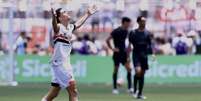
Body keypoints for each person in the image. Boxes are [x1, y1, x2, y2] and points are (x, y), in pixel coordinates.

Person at [41, 5, 97, 101]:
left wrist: (87, 14)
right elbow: (54, 26)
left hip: (64, 63)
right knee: (73, 90)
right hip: (60, 64)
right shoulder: (59, 27)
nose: (67, 13)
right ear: (60, 17)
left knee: (54, 93)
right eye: (64, 12)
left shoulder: (69, 27)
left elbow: (77, 24)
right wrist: (53, 17)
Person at [128, 16, 155, 99]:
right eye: (142, 21)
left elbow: (149, 45)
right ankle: (135, 90)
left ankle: (140, 93)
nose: (144, 22)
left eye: (145, 21)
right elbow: (129, 45)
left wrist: (152, 54)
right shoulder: (133, 33)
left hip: (144, 55)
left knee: (142, 74)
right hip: (136, 54)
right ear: (138, 22)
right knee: (138, 71)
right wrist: (127, 55)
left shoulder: (148, 33)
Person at [106, 17, 132, 94]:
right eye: (128, 23)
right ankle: (114, 88)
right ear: (124, 23)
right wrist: (112, 49)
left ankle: (130, 88)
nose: (129, 25)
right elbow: (107, 40)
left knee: (129, 69)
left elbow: (128, 42)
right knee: (116, 69)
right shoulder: (116, 31)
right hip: (117, 53)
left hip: (124, 53)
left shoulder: (126, 31)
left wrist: (128, 50)